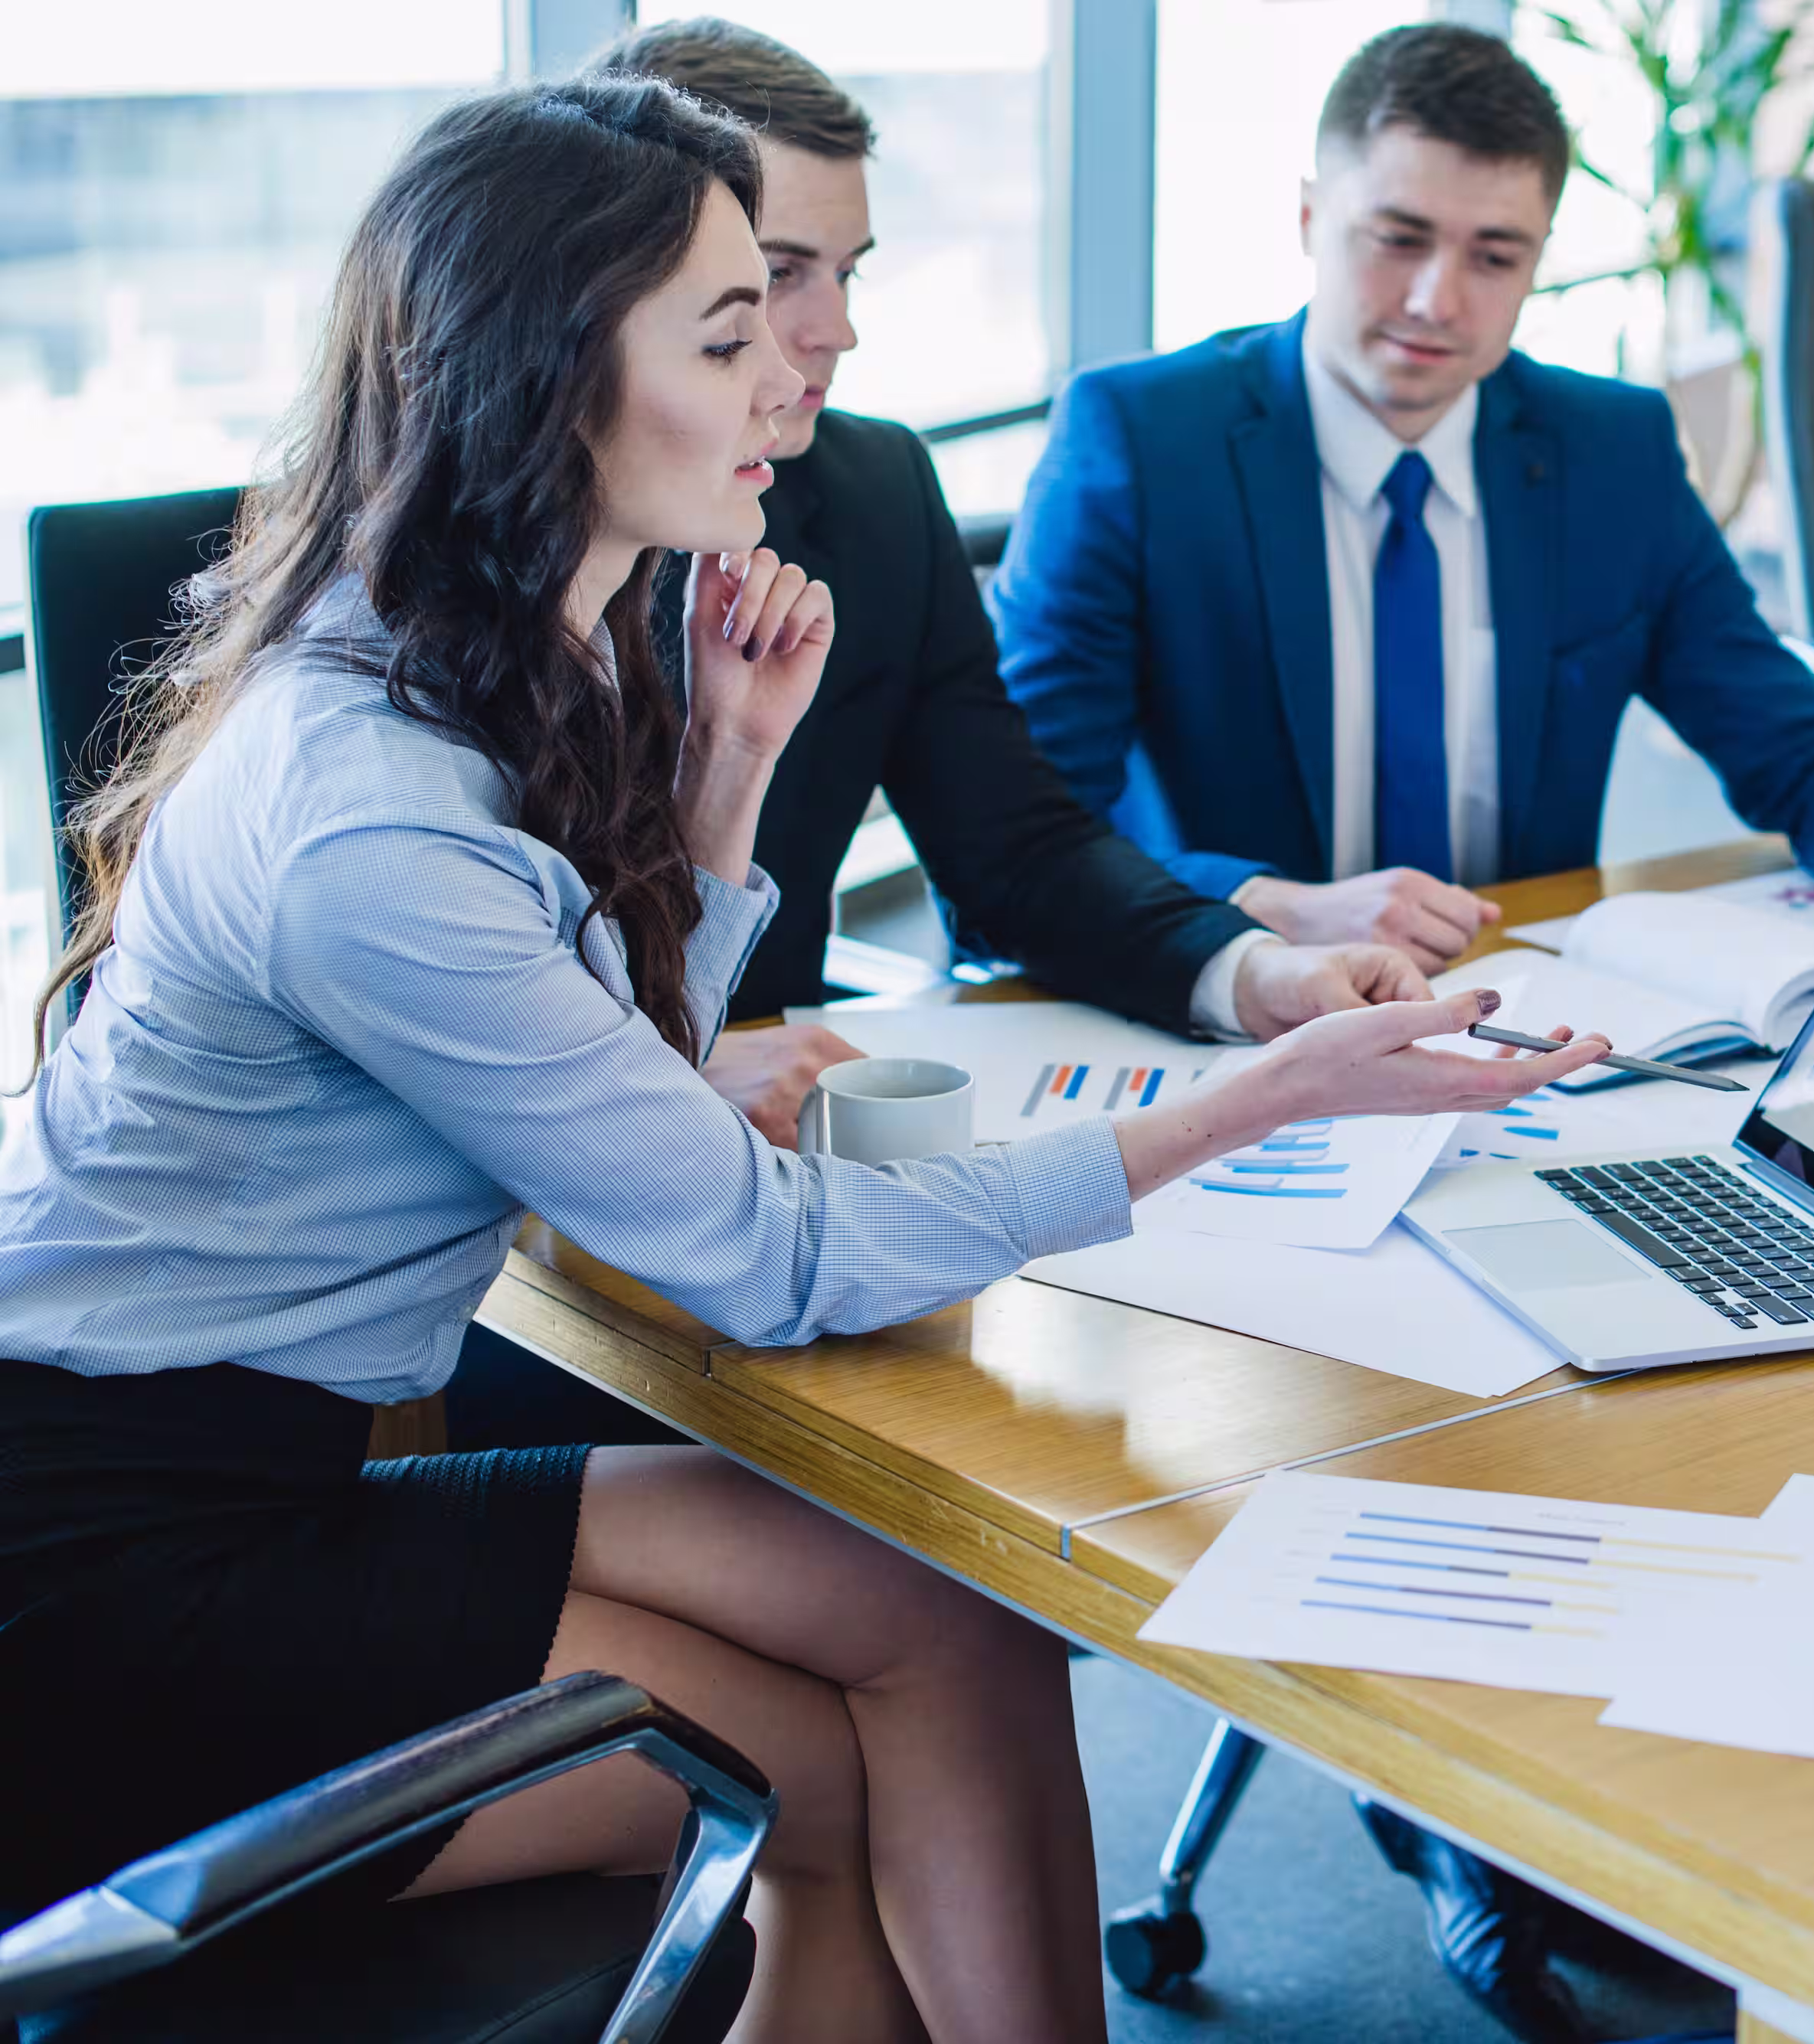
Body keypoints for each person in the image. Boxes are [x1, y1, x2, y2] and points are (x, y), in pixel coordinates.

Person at [0, 79, 1600, 2044]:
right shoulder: (374, 823)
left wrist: (729, 785)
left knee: (942, 1616)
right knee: (789, 1776)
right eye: (732, 326)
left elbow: (627, 1080)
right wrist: (1251, 1105)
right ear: (546, 384)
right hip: (107, 1565)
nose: (796, 374)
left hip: (257, 1468)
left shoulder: (507, 645)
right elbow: (757, 1261)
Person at [446, 16, 1432, 1457]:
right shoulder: (463, 570)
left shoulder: (875, 490)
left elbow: (1015, 844)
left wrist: (1250, 968)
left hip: (809, 1197)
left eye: (846, 274)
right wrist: (645, 1077)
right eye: (777, 278)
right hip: (557, 1261)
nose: (833, 329)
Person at [985, 23, 1814, 978]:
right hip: (1226, 1012)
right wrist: (1267, 909)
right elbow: (1009, 851)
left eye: (1494, 256)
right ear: (1308, 217)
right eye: (1398, 237)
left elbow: (1801, 754)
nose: (1440, 300)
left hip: (1515, 1016)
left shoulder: (1611, 452)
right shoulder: (1138, 442)